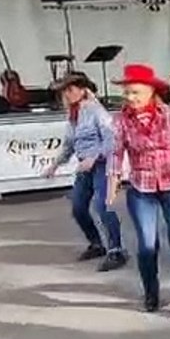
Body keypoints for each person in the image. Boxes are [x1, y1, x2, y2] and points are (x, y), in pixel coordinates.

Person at [107, 63, 170, 317]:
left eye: (136, 92)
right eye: (127, 92)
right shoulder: (120, 120)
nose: (131, 97)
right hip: (141, 187)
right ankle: (151, 292)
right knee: (147, 245)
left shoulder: (169, 113)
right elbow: (116, 153)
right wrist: (113, 182)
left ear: (151, 91)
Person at [43, 71, 126, 272]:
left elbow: (112, 139)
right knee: (78, 207)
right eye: (65, 92)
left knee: (103, 206)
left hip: (102, 164)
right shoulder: (73, 115)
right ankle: (96, 244)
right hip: (85, 166)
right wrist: (55, 164)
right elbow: (69, 144)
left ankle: (116, 250)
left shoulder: (97, 112)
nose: (67, 95)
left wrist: (94, 157)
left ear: (83, 90)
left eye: (70, 90)